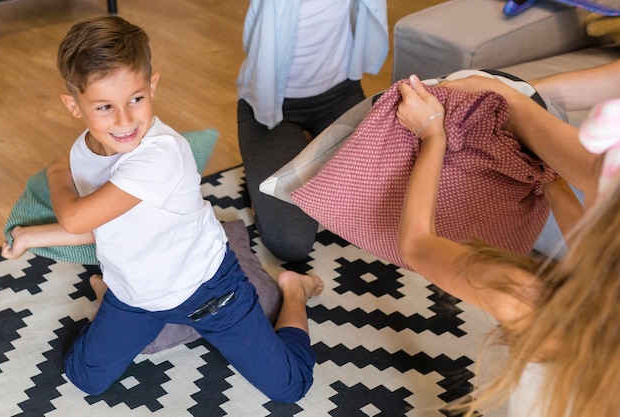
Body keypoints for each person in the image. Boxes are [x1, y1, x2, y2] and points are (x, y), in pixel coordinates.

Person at [14, 15, 324, 401]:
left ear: (153, 85)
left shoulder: (160, 154)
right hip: (135, 294)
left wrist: (57, 171)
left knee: (290, 386)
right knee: (83, 377)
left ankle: (293, 289)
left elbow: (77, 216)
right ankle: (110, 292)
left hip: (207, 291)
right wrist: (29, 236)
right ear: (74, 106)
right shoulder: (86, 149)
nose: (125, 119)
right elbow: (103, 224)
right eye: (105, 107)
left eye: (136, 99)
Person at [395, 75, 619, 417]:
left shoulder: (524, 298)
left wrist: (432, 134)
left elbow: (416, 243)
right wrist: (552, 182)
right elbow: (595, 252)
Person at [236, 0, 388, 261]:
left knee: (381, 209)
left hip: (340, 95)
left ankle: (307, 153)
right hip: (270, 107)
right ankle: (297, 154)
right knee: (290, 243)